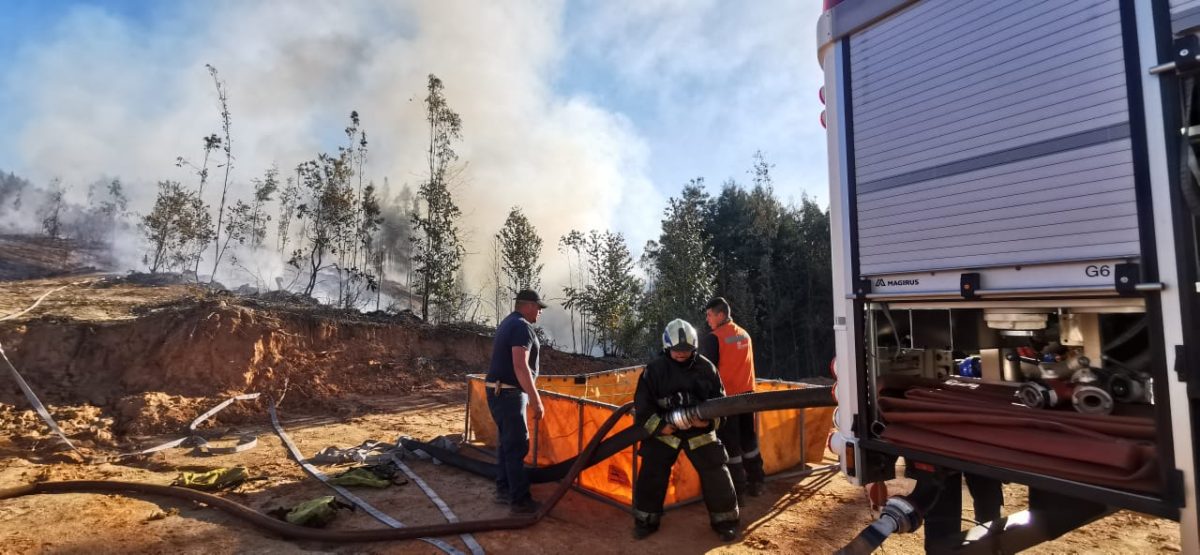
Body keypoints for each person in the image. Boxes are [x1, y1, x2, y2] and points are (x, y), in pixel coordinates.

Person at [632, 318, 740, 542]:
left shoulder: (707, 369)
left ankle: (725, 521)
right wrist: (661, 427)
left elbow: (721, 405)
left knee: (716, 470)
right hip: (665, 431)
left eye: (686, 349)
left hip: (699, 431)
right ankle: (646, 520)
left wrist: (708, 423)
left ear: (695, 347)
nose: (681, 353)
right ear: (666, 346)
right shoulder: (654, 370)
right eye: (676, 350)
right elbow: (642, 407)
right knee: (652, 469)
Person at [484, 289, 547, 514]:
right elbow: (520, 366)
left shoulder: (508, 323)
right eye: (538, 307)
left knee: (507, 444)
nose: (539, 312)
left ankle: (504, 488)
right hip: (510, 394)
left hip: (497, 392)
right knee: (517, 445)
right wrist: (535, 397)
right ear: (528, 305)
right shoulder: (522, 327)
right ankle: (520, 500)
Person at [699, 296, 764, 504]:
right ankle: (757, 481)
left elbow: (706, 372)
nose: (708, 320)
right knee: (749, 441)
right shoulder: (744, 335)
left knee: (731, 446)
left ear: (720, 314)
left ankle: (738, 490)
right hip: (748, 397)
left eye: (709, 315)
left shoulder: (714, 338)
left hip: (726, 401)